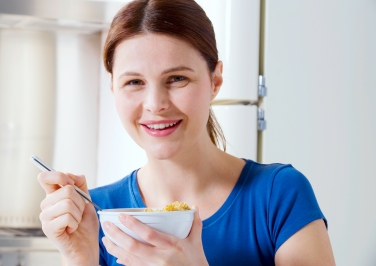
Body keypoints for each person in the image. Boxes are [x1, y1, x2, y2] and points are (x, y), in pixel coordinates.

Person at [37, 0, 336, 265]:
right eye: (134, 82)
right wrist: (81, 259)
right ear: (113, 86)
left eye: (177, 78)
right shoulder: (98, 213)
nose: (155, 104)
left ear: (215, 80)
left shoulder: (278, 195)